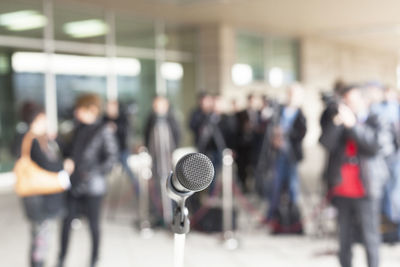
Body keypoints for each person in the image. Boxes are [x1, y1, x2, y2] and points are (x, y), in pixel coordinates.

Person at [320, 85, 389, 267]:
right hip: (342, 188)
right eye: (346, 101)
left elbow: (373, 146)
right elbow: (326, 143)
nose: (349, 105)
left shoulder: (377, 119)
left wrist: (353, 125)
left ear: (363, 101)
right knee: (344, 238)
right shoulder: (340, 121)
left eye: (352, 101)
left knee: (370, 236)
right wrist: (337, 123)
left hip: (367, 187)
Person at [58, 94, 118, 267]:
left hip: (93, 187)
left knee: (93, 226)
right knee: (66, 223)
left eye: (81, 109)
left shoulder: (104, 129)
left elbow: (111, 159)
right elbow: (72, 152)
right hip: (73, 183)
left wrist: (90, 172)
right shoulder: (78, 128)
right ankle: (61, 258)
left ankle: (94, 259)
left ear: (92, 110)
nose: (77, 113)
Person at [18, 102, 73, 267]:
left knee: (42, 238)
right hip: (38, 199)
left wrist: (53, 138)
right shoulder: (32, 140)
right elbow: (47, 164)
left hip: (42, 198)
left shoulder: (40, 138)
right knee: (40, 241)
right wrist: (64, 166)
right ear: (36, 119)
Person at [266, 84, 307, 224]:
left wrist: (286, 133)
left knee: (293, 186)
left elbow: (301, 133)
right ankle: (272, 215)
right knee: (275, 185)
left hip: (292, 155)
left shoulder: (301, 114)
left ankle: (293, 217)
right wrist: (274, 138)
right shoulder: (279, 110)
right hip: (278, 155)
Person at [144, 96, 181, 226]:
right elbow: (147, 135)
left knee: (169, 185)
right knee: (156, 187)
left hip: (167, 159)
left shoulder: (171, 119)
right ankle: (158, 214)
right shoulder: (151, 119)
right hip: (155, 159)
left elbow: (177, 135)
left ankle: (170, 215)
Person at [104, 100, 138, 190]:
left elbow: (128, 132)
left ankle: (137, 190)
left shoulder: (123, 118)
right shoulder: (104, 119)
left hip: (122, 149)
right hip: (108, 151)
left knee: (127, 170)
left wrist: (116, 128)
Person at [236, 94, 261, 192]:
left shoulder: (259, 113)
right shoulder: (241, 114)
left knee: (253, 167)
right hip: (243, 145)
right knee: (242, 168)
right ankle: (243, 186)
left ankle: (254, 187)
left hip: (254, 146)